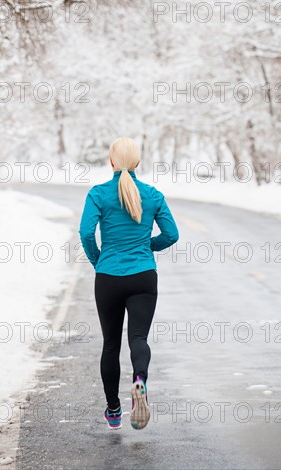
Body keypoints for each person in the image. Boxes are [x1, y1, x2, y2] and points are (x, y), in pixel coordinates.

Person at [79, 136, 179, 431]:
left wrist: (100, 260)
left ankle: (113, 409)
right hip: (143, 276)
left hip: (108, 277)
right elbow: (172, 234)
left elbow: (86, 233)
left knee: (111, 344)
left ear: (111, 162)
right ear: (137, 163)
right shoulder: (152, 195)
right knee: (138, 339)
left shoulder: (98, 194)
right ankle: (140, 381)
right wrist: (148, 247)